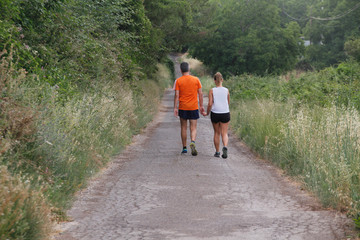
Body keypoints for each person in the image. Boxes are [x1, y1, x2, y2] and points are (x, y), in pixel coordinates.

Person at [174, 62, 205, 156]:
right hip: (193, 106)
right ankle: (193, 142)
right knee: (193, 127)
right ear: (189, 69)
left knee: (183, 127)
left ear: (180, 70)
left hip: (183, 107)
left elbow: (176, 95)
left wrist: (175, 107)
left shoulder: (178, 81)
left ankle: (184, 148)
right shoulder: (196, 80)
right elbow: (200, 93)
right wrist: (201, 106)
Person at [204, 72, 230, 158]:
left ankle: (217, 152)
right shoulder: (226, 90)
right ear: (222, 80)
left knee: (216, 133)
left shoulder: (212, 90)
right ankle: (225, 147)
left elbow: (210, 104)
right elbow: (228, 102)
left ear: (214, 81)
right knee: (224, 133)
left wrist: (207, 113)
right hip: (225, 112)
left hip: (215, 113)